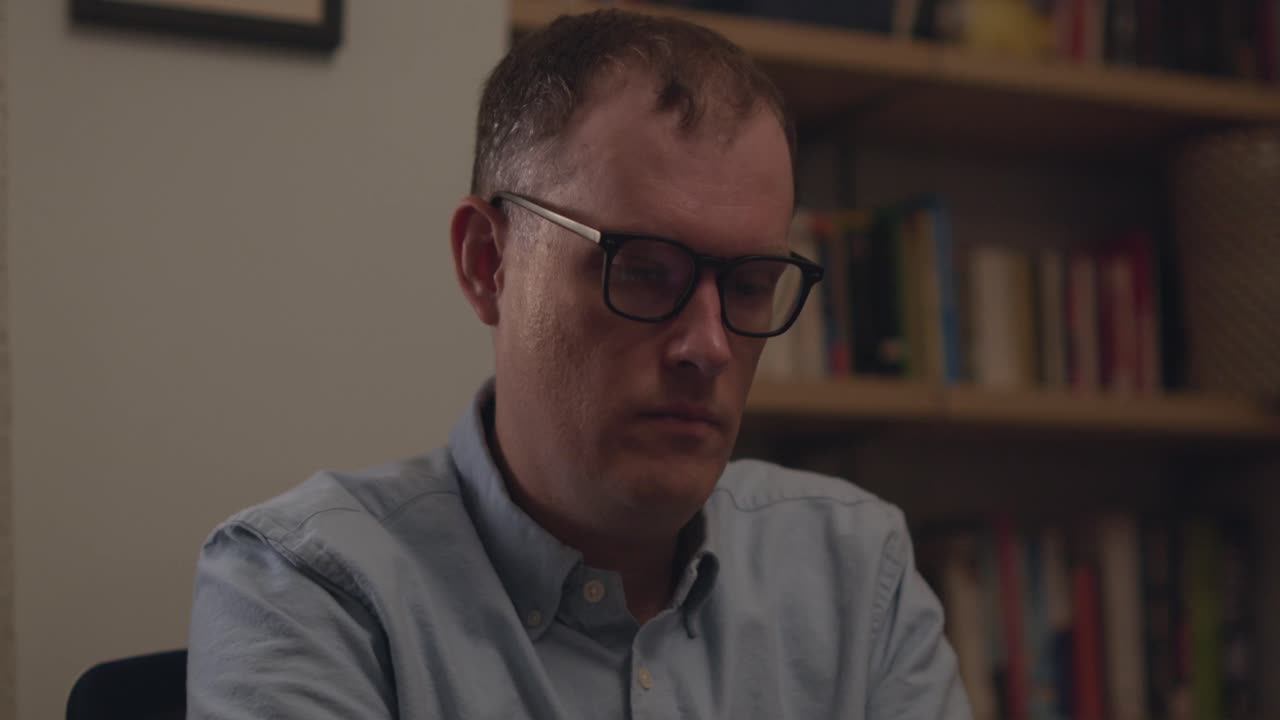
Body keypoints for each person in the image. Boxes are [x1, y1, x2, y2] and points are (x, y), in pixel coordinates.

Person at [187, 9, 970, 720]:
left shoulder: (858, 573)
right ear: (487, 262)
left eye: (751, 285)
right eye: (642, 270)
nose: (709, 346)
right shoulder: (310, 589)